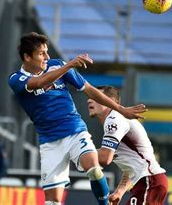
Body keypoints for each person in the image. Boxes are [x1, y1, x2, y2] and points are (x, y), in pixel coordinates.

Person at [8, 32, 146, 205]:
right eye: (41, 53)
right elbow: (38, 83)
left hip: (75, 131)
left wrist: (120, 109)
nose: (47, 57)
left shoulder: (56, 65)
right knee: (53, 201)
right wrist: (69, 65)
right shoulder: (16, 78)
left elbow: (89, 89)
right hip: (50, 142)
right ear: (27, 57)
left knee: (94, 169)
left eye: (47, 52)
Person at [87, 86, 168, 205]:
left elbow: (105, 158)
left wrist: (78, 153)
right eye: (90, 97)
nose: (89, 100)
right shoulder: (115, 120)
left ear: (110, 102)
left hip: (149, 182)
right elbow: (132, 167)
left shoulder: (114, 119)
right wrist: (119, 191)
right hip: (150, 182)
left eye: (95, 97)